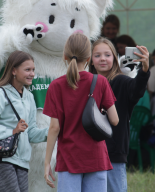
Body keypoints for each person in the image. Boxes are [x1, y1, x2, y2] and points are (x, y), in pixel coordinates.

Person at [43, 33, 119, 192]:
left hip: (68, 158)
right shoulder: (100, 82)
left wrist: (47, 162)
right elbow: (114, 120)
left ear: (64, 56)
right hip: (96, 158)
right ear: (89, 58)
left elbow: (54, 128)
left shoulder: (55, 86)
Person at [0, 50, 48, 192]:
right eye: (27, 70)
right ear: (14, 71)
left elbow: (31, 133)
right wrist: (12, 131)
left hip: (22, 160)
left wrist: (52, 132)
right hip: (2, 157)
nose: (32, 74)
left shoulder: (29, 97)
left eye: (33, 70)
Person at [89, 38, 150, 192]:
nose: (102, 58)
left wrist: (144, 70)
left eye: (107, 55)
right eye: (97, 55)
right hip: (89, 151)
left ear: (115, 59)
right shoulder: (87, 83)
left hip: (113, 152)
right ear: (90, 59)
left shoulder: (122, 81)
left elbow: (137, 90)